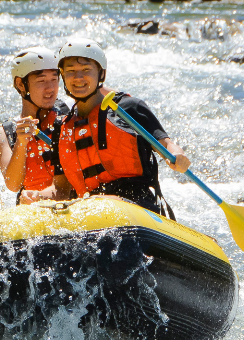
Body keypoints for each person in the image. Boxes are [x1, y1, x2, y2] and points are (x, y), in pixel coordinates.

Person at [51, 36, 190, 218]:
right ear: (63, 76)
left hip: (139, 204)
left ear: (101, 74)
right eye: (70, 71)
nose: (78, 77)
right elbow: (60, 188)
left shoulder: (128, 108)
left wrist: (177, 156)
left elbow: (166, 145)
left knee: (100, 205)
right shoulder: (62, 127)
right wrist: (36, 197)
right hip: (87, 208)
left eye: (86, 70)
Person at [0, 46, 66, 204]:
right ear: (20, 84)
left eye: (54, 79)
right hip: (31, 204)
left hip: (67, 200)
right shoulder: (4, 133)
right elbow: (13, 185)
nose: (50, 88)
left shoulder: (69, 116)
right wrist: (21, 143)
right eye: (41, 81)